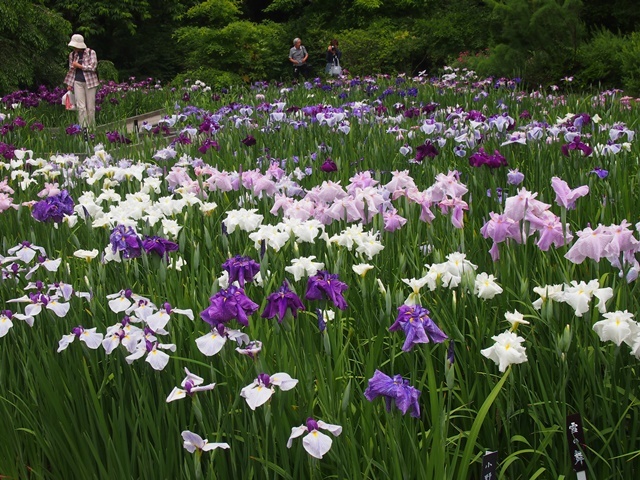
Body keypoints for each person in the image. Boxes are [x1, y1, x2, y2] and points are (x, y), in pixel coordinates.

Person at [64, 34, 99, 128]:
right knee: (80, 107)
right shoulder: (72, 55)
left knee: (90, 107)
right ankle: (84, 128)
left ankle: (92, 128)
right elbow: (71, 70)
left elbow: (93, 67)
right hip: (77, 81)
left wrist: (80, 66)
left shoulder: (91, 52)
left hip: (90, 83)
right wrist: (69, 84)